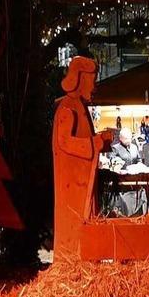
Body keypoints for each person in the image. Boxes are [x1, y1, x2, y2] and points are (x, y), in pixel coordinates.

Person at [52, 56, 114, 258]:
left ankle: (85, 258)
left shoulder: (80, 107)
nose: (94, 86)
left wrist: (100, 142)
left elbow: (83, 139)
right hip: (73, 185)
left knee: (86, 222)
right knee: (75, 223)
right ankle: (73, 261)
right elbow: (65, 142)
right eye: (92, 80)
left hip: (82, 180)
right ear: (80, 80)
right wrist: (93, 143)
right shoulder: (67, 108)